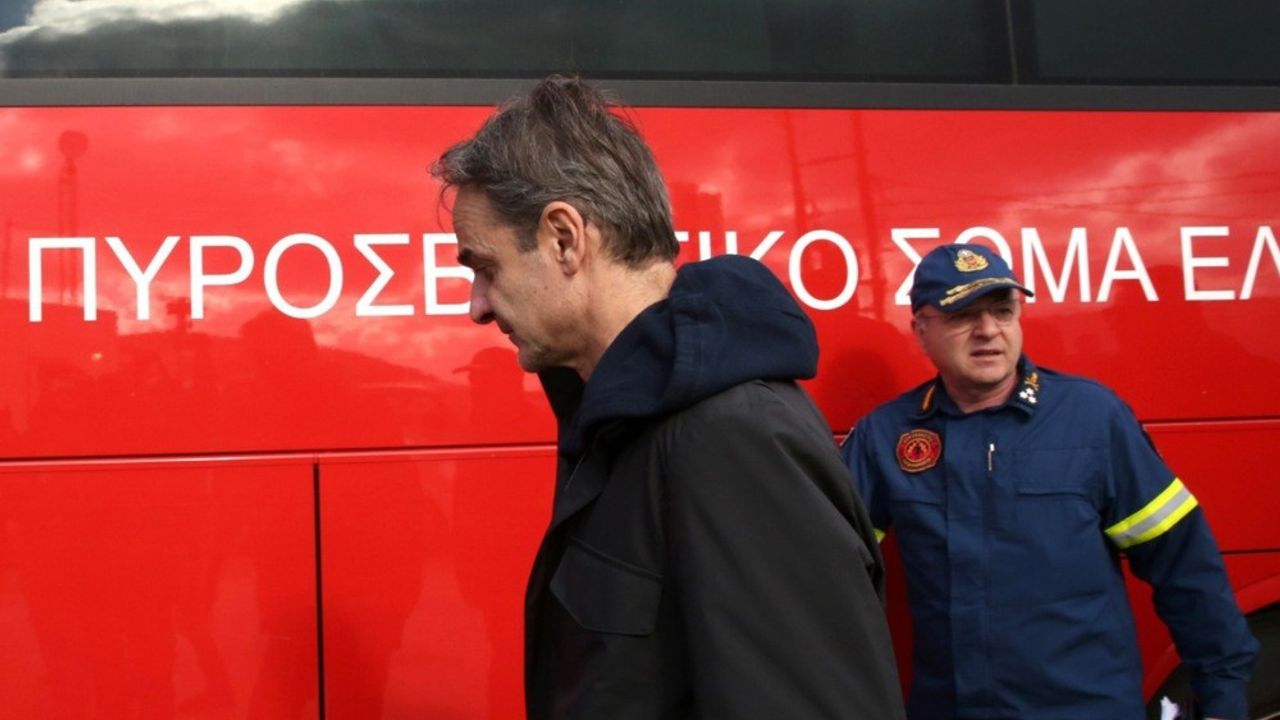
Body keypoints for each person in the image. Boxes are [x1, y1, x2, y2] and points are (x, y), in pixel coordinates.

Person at [431, 76, 904, 720]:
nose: (477, 307)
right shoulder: (624, 421)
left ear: (565, 238)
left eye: (486, 268)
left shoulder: (730, 440)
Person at [841, 243, 1258, 719]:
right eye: (963, 315)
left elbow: (1185, 566)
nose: (988, 330)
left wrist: (1223, 698)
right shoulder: (886, 437)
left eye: (1002, 310)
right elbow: (824, 566)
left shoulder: (1093, 419)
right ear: (921, 330)